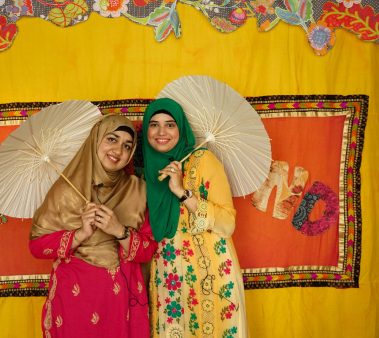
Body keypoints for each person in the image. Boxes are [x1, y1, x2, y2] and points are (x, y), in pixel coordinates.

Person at [29, 114, 156, 338]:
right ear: (95, 140)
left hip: (122, 300)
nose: (118, 150)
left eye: (127, 145)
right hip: (75, 298)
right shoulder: (65, 191)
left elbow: (148, 251)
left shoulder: (139, 190)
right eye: (112, 139)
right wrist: (79, 234)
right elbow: (36, 246)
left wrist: (120, 231)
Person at [144, 98, 248, 338]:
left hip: (208, 277)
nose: (161, 132)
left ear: (181, 128)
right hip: (166, 277)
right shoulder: (145, 171)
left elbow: (227, 222)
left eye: (170, 124)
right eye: (154, 124)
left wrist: (181, 191)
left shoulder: (203, 160)